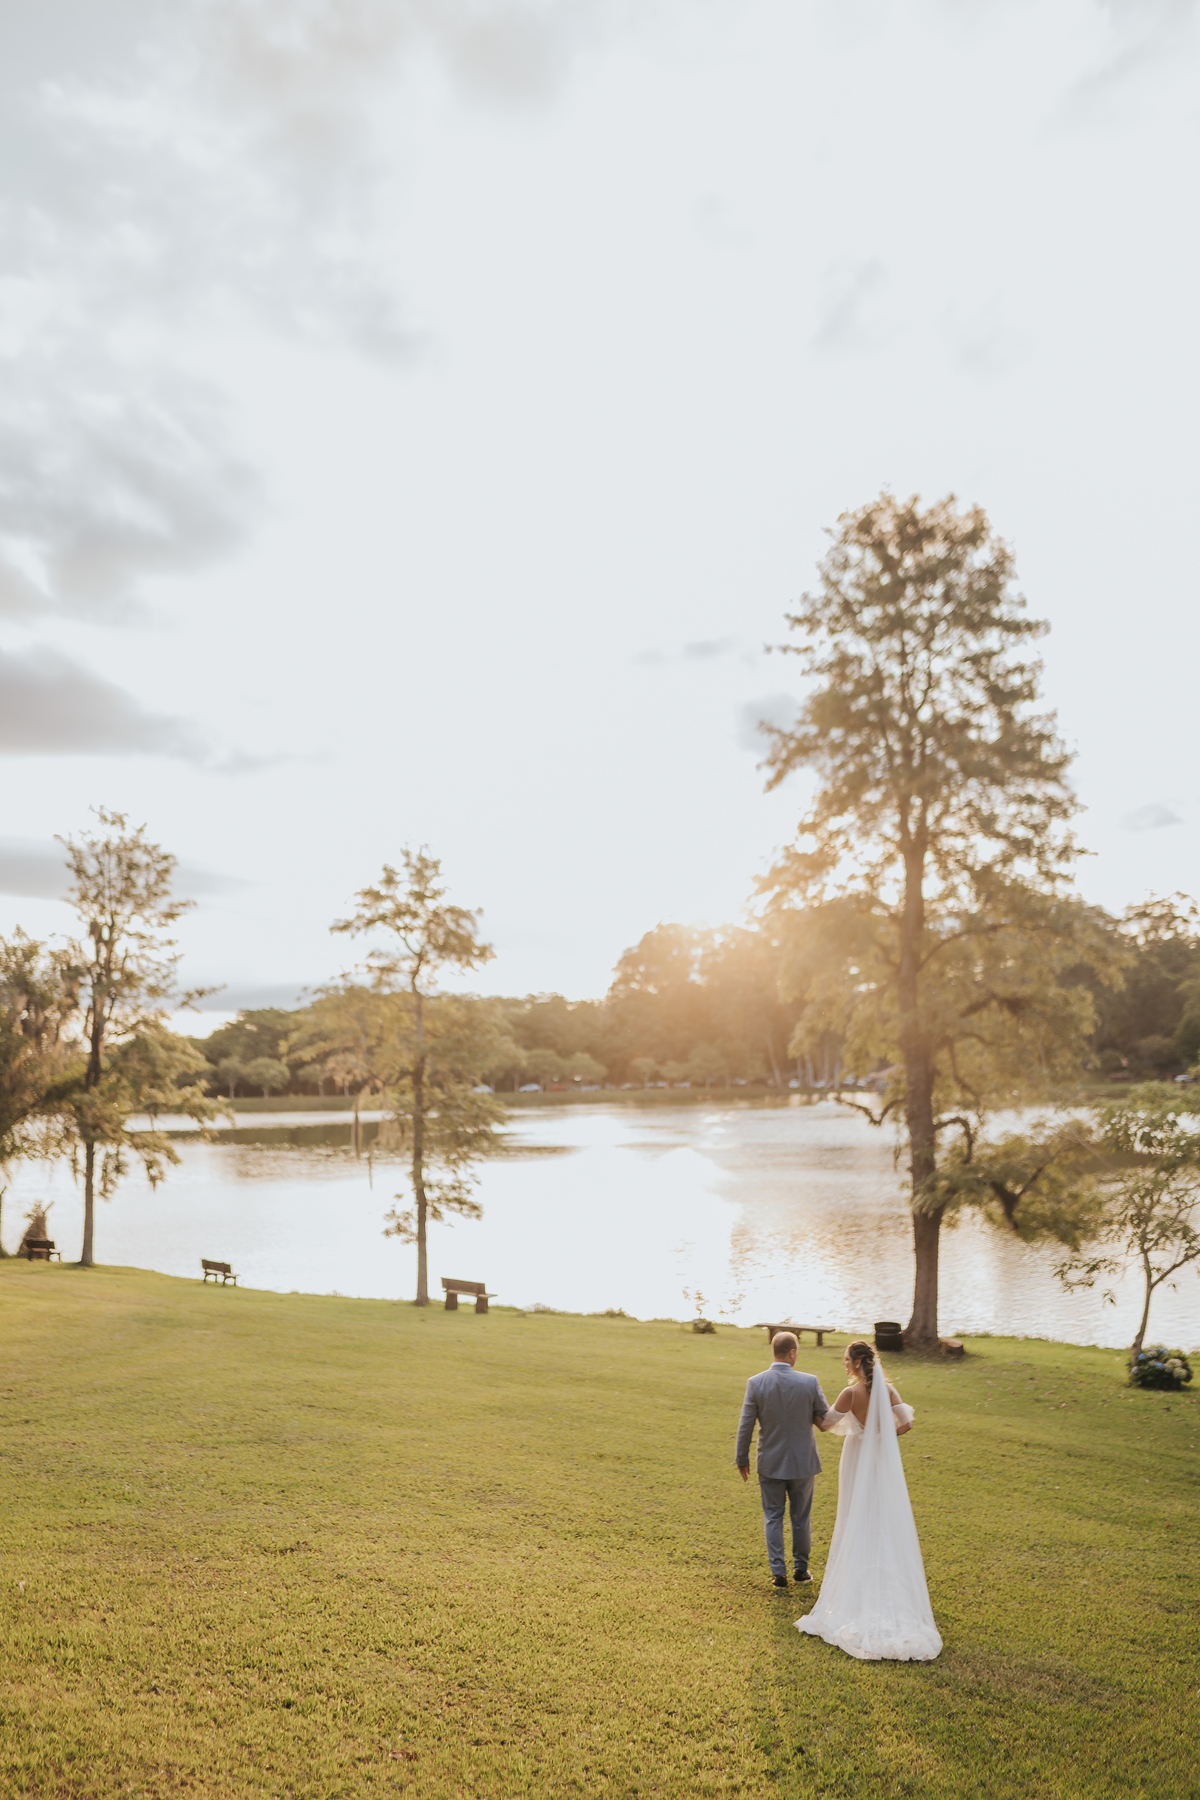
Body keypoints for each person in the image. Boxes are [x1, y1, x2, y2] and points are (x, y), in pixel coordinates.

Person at [795, 1338, 941, 1661]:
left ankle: (856, 1581)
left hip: (857, 1457)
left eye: (847, 1359)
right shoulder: (888, 1391)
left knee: (854, 1514)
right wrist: (881, 1435)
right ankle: (882, 1576)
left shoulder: (850, 1394)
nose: (844, 1364)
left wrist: (808, 1407)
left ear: (858, 1362)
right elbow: (906, 1425)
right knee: (881, 1512)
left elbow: (827, 1424)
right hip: (880, 1458)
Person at [735, 1330, 830, 1589]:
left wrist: (742, 1457)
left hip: (770, 1461)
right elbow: (825, 1418)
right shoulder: (809, 1382)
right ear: (791, 1353)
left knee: (773, 1516)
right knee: (801, 1517)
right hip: (803, 1462)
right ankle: (801, 1569)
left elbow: (746, 1424)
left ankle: (779, 1574)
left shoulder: (756, 1383)